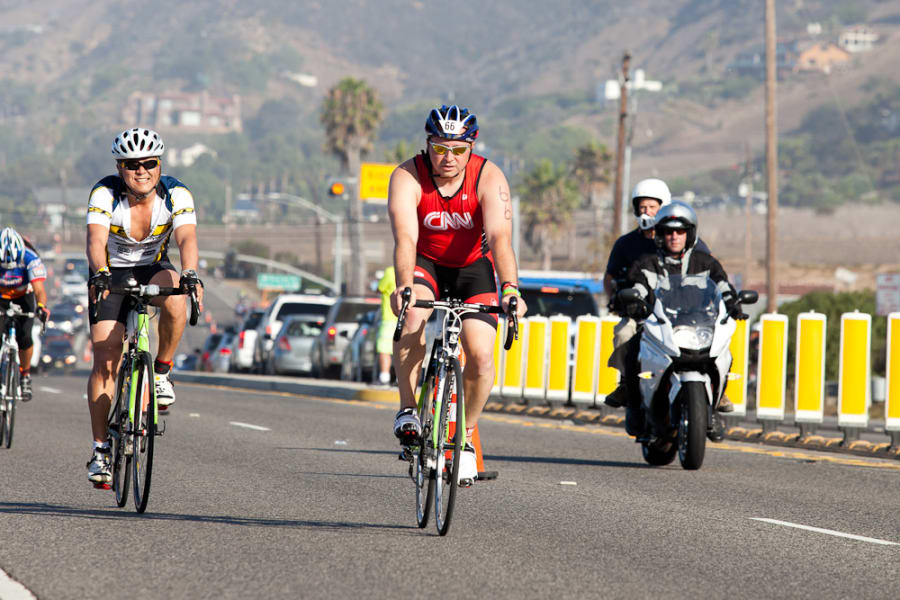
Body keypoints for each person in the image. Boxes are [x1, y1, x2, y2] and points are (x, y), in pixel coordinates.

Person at [388, 104, 527, 484]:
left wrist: (511, 288)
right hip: (424, 263)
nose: (448, 158)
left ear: (472, 147)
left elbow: (500, 239)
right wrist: (403, 286)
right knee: (413, 315)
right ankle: (407, 410)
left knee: (481, 356)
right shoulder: (406, 176)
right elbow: (405, 238)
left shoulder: (490, 177)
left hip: (473, 268)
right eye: (439, 148)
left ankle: (464, 436)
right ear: (428, 144)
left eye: (458, 150)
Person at [85, 128, 204, 485]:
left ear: (159, 164)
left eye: (149, 163)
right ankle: (100, 449)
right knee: (106, 358)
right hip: (111, 270)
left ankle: (163, 371)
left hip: (153, 265)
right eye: (132, 164)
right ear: (120, 168)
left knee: (176, 294)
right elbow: (95, 239)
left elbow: (187, 236)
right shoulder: (104, 193)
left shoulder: (176, 193)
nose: (142, 171)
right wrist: (101, 273)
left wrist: (192, 273)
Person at [617, 201, 745, 438]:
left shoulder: (706, 263)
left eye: (680, 231)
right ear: (660, 234)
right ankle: (635, 408)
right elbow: (637, 287)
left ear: (690, 233)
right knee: (633, 348)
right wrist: (633, 301)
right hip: (660, 325)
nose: (674, 236)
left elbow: (724, 287)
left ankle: (714, 407)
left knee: (724, 352)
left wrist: (733, 303)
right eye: (668, 231)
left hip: (700, 326)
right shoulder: (646, 264)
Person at [603, 178, 713, 408]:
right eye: (642, 207)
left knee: (717, 336)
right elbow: (611, 277)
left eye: (652, 207)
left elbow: (710, 272)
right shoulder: (626, 244)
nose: (646, 212)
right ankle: (626, 382)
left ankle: (716, 386)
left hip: (683, 312)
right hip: (643, 312)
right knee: (624, 333)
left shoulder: (687, 240)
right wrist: (616, 302)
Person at [0, 227, 49, 401]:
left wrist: (41, 307)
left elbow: (39, 291)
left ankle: (25, 375)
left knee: (25, 337)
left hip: (24, 296)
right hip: (1, 297)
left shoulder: (30, 258)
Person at [375, 266, 397, 386]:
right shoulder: (417, 271)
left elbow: (379, 288)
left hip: (389, 318)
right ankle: (401, 380)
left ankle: (384, 377)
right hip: (407, 318)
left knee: (384, 350)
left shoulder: (390, 271)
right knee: (404, 350)